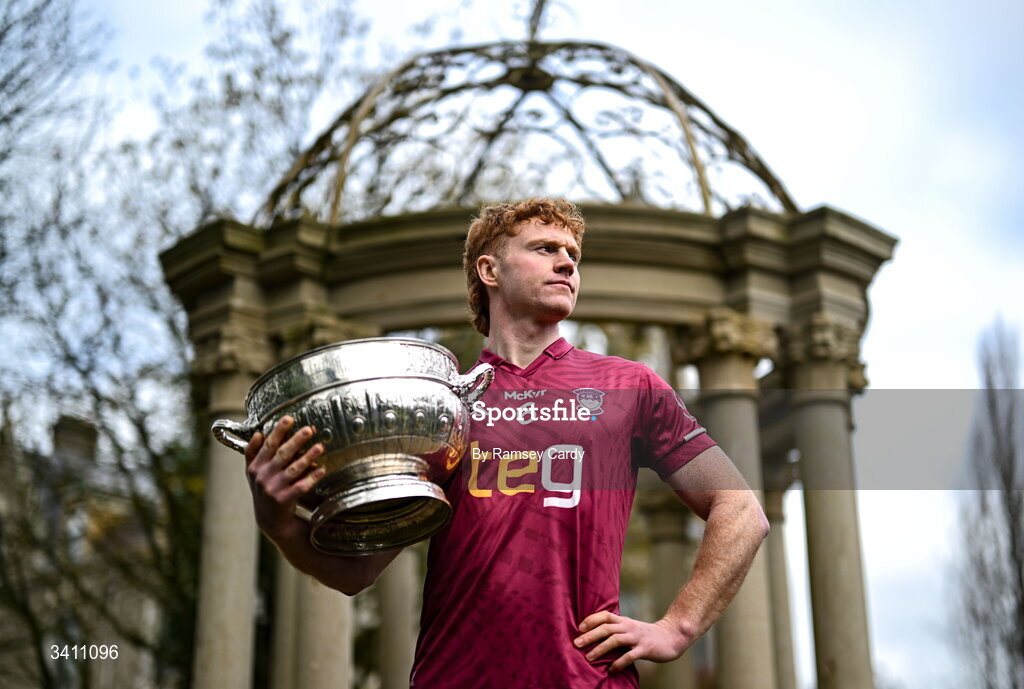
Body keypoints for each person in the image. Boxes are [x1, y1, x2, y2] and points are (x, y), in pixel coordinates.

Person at [243, 197, 769, 688]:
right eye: (545, 249)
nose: (567, 263)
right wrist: (281, 523)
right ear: (489, 271)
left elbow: (742, 510)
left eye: (573, 255)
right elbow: (356, 569)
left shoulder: (628, 385)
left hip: (588, 680)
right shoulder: (436, 405)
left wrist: (677, 627)